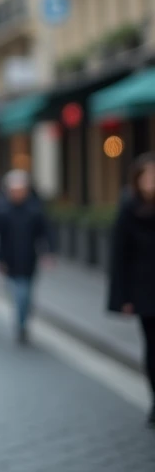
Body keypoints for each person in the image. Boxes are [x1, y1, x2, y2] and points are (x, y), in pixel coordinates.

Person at [107, 153, 155, 426]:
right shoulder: (129, 208)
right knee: (152, 348)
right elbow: (120, 255)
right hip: (144, 289)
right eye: (147, 176)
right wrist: (122, 297)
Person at [0, 169, 54, 346]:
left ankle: (23, 319)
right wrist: (0, 260)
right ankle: (21, 322)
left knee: (26, 293)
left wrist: (48, 253)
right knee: (18, 293)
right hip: (11, 259)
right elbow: (0, 238)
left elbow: (46, 232)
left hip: (29, 258)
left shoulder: (34, 210)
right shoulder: (4, 211)